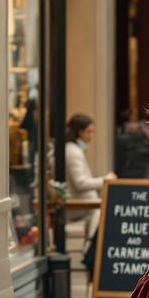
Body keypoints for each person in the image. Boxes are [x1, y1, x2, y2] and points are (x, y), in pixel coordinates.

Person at [63, 113, 115, 270]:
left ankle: (94, 251)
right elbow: (80, 183)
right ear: (79, 132)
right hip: (80, 205)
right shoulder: (73, 152)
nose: (91, 136)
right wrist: (105, 180)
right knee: (103, 213)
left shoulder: (74, 150)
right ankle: (93, 253)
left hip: (85, 203)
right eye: (89, 132)